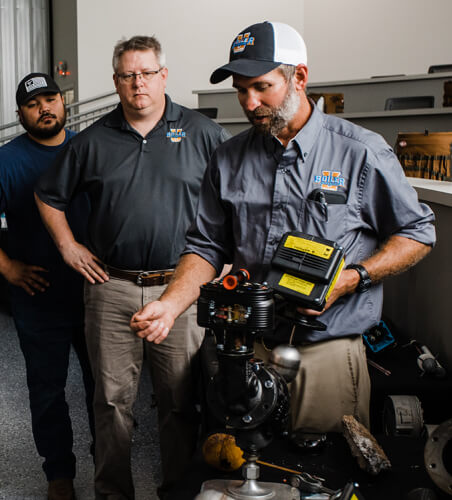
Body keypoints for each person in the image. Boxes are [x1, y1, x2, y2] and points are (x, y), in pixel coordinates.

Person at [131, 22, 436, 434]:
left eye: (262, 87)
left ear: (300, 78)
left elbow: (417, 232)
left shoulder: (360, 152)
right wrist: (170, 305)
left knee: (325, 476)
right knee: (247, 469)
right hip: (248, 346)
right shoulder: (227, 158)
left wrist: (350, 280)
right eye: (241, 90)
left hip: (327, 352)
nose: (250, 102)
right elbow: (206, 247)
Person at [34, 36, 230, 499]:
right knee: (111, 403)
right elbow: (47, 195)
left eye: (146, 73)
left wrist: (226, 261)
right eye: (128, 75)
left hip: (181, 291)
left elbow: (232, 203)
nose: (138, 82)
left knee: (181, 403)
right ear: (117, 82)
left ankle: (178, 492)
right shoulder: (93, 141)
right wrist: (68, 247)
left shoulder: (204, 133)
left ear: (164, 76)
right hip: (113, 287)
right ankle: (113, 494)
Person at [0, 74, 95, 500]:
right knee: (47, 390)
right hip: (39, 297)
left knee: (106, 392)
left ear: (63, 101)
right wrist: (7, 268)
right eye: (33, 104)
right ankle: (59, 476)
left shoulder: (91, 148)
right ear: (21, 114)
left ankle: (110, 467)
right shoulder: (5, 161)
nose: (44, 108)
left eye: (50, 98)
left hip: (96, 293)